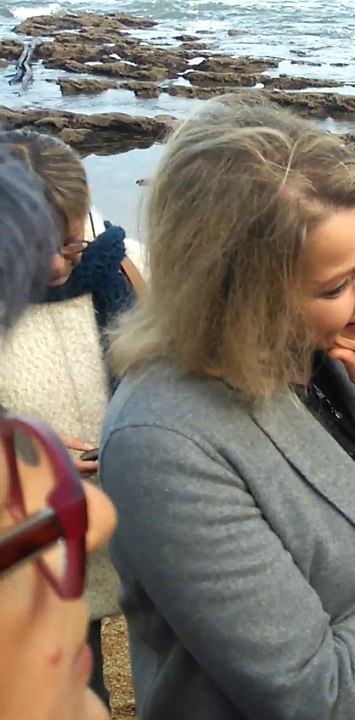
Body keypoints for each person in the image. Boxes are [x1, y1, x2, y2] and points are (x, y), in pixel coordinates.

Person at [97, 96, 355, 720]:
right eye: (335, 283)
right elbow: (309, 693)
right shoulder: (162, 443)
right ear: (236, 294)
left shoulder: (336, 352)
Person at [0, 128, 145, 713]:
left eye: (70, 247)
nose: (58, 267)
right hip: (26, 544)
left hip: (124, 517)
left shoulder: (121, 270)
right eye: (35, 250)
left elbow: (157, 372)